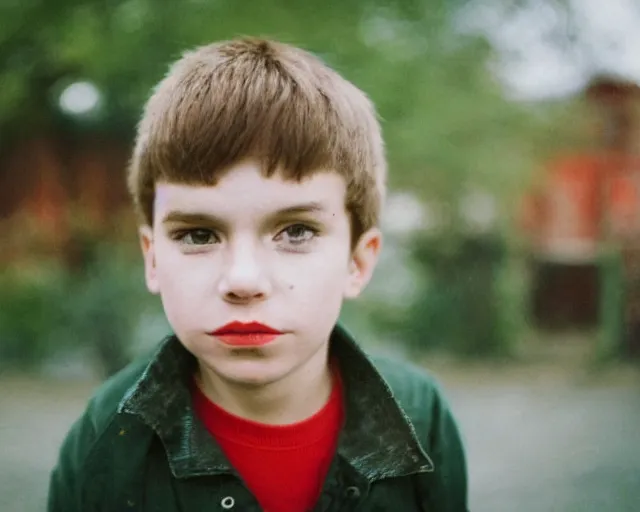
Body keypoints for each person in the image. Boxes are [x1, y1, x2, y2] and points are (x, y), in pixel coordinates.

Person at [48, 37, 468, 512]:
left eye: (296, 230)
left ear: (358, 261)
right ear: (152, 259)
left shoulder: (421, 415)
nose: (243, 281)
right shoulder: (106, 435)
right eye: (199, 235)